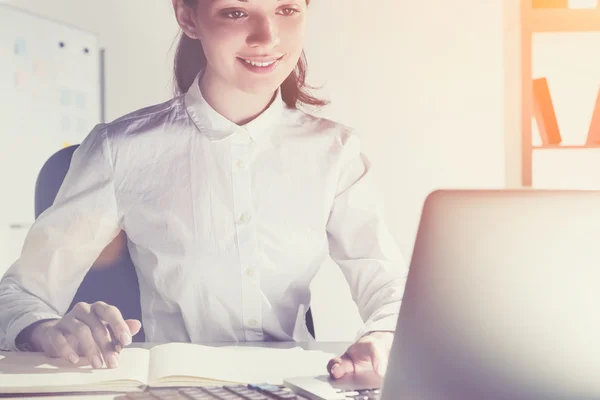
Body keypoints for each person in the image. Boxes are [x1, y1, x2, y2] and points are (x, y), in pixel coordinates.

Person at [0, 0, 407, 380]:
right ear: (187, 16)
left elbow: (389, 285)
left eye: (285, 9)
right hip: (169, 387)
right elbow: (18, 295)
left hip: (294, 384)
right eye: (235, 12)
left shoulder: (335, 152)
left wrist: (385, 336)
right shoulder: (120, 150)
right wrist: (45, 328)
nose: (267, 36)